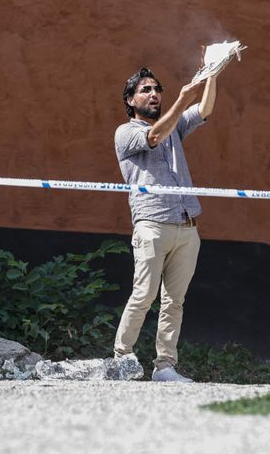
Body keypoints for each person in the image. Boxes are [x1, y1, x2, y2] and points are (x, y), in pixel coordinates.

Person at [113, 67, 220, 382]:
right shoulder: (125, 132)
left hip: (187, 225)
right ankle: (122, 358)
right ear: (131, 100)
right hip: (152, 224)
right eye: (145, 90)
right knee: (144, 294)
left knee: (175, 301)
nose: (154, 93)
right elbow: (154, 136)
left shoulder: (174, 126)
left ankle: (165, 367)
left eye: (157, 88)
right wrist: (183, 96)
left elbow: (205, 109)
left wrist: (213, 71)